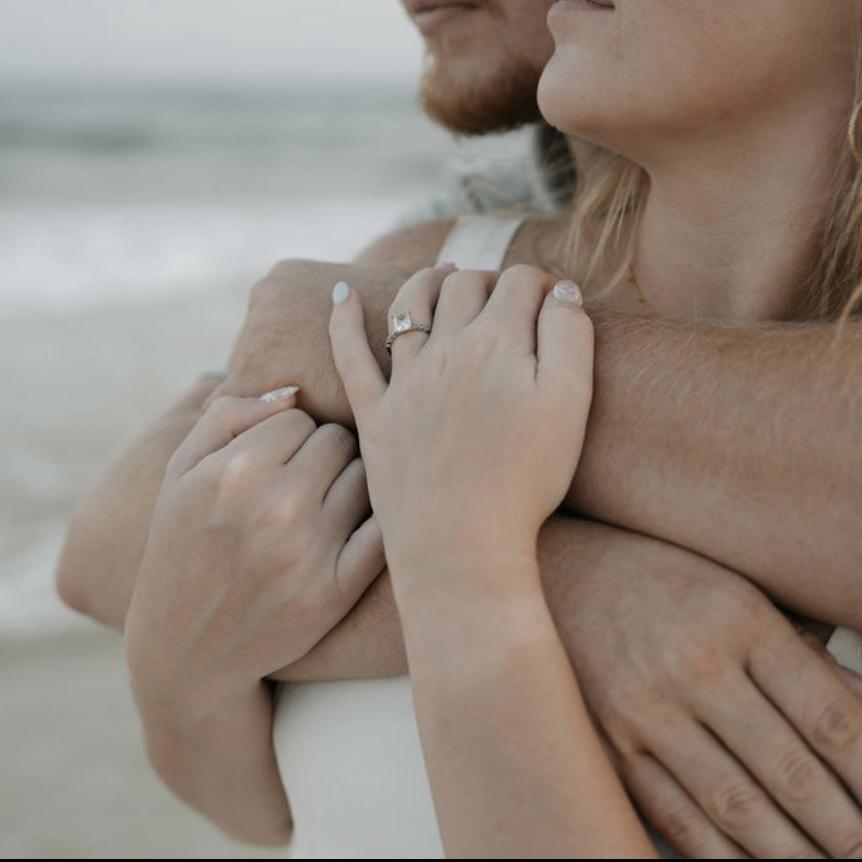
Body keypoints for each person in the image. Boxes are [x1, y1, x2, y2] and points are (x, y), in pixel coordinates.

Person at [57, 0, 862, 856]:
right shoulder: (439, 256)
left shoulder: (405, 302)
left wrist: (461, 528)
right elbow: (257, 798)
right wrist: (567, 586)